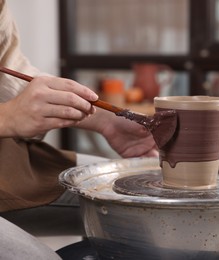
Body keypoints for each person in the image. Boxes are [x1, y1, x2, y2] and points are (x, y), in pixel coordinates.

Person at [0, 0, 158, 259]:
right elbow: (11, 110)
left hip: (7, 163)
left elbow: (10, 75)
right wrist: (7, 117)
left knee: (137, 208)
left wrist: (105, 120)